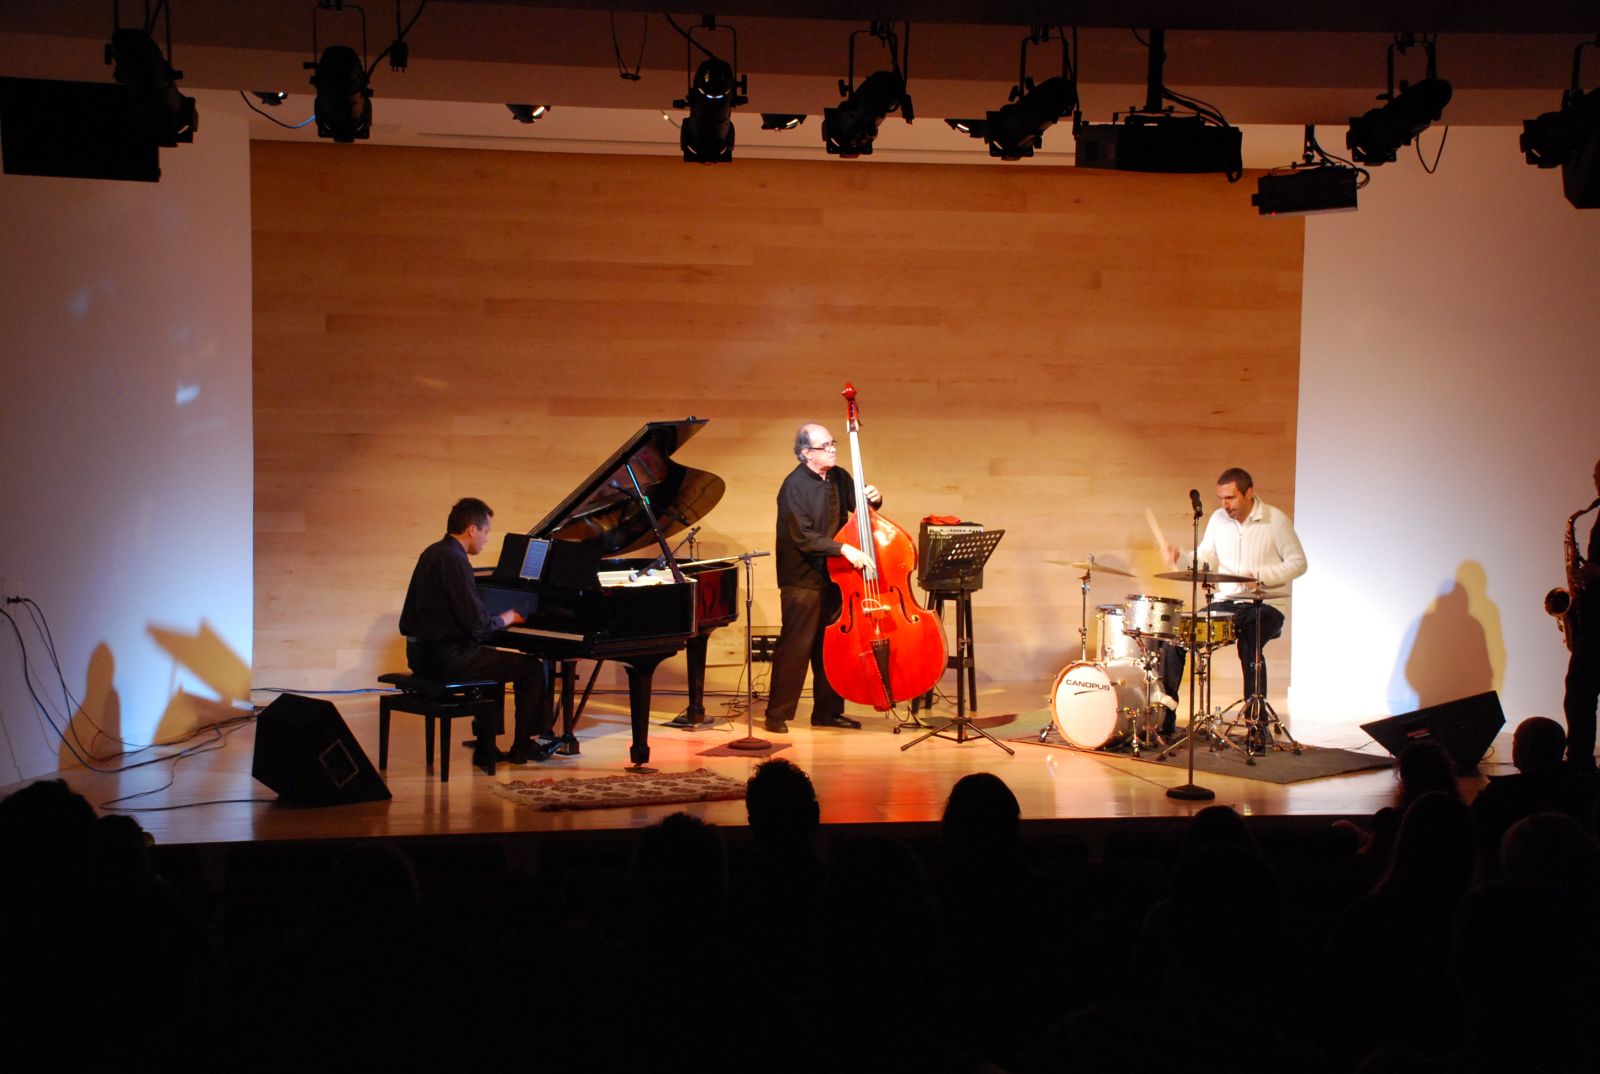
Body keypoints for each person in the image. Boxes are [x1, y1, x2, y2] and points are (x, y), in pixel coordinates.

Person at [1158, 467, 1307, 748]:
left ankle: (1256, 723)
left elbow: (1299, 563)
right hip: (1226, 603)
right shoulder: (1217, 519)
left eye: (1231, 498)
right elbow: (1205, 558)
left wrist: (1260, 577)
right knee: (1177, 638)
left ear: (1249, 493)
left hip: (1265, 604)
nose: (1225, 505)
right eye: (1221, 498)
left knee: (1249, 643)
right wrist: (1181, 557)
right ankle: (1165, 718)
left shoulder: (1275, 521)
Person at [398, 497, 551, 769]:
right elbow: (477, 625)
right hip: (445, 659)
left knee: (492, 663)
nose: (486, 539)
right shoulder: (455, 561)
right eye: (486, 531)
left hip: (420, 655)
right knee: (531, 668)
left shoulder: (433, 552)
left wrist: (488, 623)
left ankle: (486, 746)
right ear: (471, 529)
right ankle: (522, 745)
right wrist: (505, 619)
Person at [763, 423, 876, 734]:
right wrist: (844, 549)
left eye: (833, 443)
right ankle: (777, 714)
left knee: (832, 647)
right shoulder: (793, 486)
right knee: (796, 647)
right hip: (802, 578)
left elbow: (861, 510)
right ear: (805, 454)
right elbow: (803, 537)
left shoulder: (839, 476)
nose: (832, 449)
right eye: (824, 446)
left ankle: (827, 712)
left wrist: (873, 499)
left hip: (836, 575)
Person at [1560, 458, 1600, 772]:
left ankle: (1580, 765)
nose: (1596, 483)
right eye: (1595, 476)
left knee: (1580, 694)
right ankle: (1580, 762)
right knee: (1579, 695)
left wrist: (1595, 573)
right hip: (1593, 618)